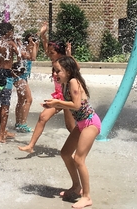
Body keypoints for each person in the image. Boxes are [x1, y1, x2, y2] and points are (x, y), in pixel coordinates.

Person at [42, 56, 100, 209]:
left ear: (68, 71)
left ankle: (87, 197)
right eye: (54, 71)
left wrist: (57, 103)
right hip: (81, 124)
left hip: (90, 122)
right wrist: (52, 104)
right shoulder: (66, 84)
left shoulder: (74, 81)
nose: (55, 74)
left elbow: (75, 104)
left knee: (79, 159)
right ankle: (76, 187)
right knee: (65, 153)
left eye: (58, 71)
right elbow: (69, 104)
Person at [18, 39, 76, 154]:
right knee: (43, 117)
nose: (49, 54)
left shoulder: (65, 62)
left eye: (52, 53)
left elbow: (77, 68)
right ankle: (31, 146)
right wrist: (43, 35)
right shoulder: (55, 61)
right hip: (59, 97)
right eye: (49, 52)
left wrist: (70, 56)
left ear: (60, 52)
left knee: (70, 126)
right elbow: (46, 47)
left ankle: (81, 146)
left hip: (67, 97)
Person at [14, 23, 45, 133]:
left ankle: (18, 123)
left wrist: (41, 32)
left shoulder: (27, 48)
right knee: (28, 99)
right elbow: (33, 58)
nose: (35, 45)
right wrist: (34, 45)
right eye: (33, 42)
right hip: (19, 77)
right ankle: (22, 124)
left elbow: (35, 47)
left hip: (22, 77)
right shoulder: (22, 50)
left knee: (21, 99)